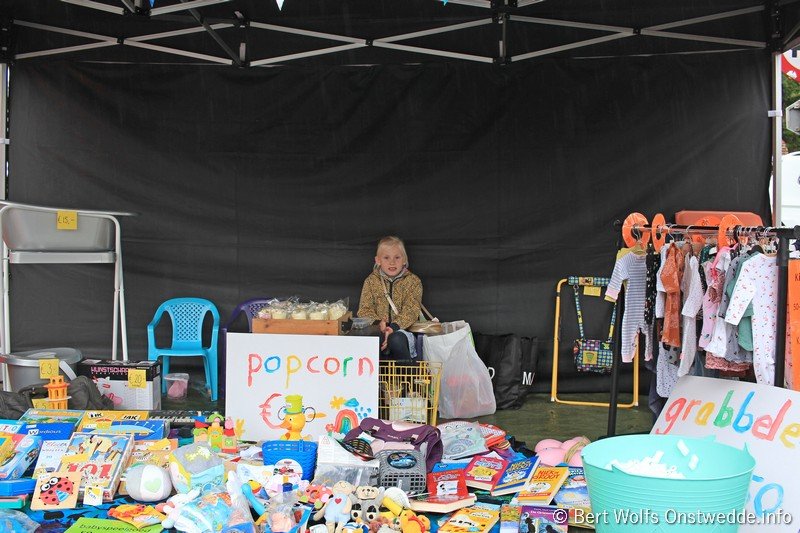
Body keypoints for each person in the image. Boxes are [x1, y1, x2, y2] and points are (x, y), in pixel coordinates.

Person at [357, 236, 423, 360]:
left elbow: (411, 310)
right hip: (377, 330)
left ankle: (406, 371)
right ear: (378, 260)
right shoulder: (371, 281)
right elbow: (364, 310)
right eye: (386, 257)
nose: (392, 262)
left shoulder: (413, 281)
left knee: (396, 339)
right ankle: (377, 373)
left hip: (403, 331)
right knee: (373, 339)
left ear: (404, 260)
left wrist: (393, 328)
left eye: (397, 257)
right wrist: (379, 324)